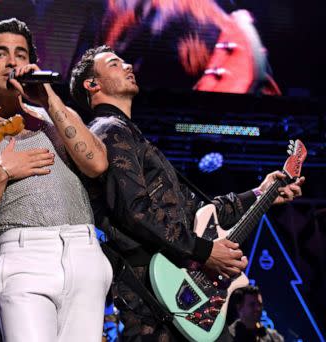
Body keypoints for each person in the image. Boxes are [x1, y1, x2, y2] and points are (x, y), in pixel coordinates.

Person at [69, 45, 304, 341]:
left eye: (126, 60)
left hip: (176, 292)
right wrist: (206, 252)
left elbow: (199, 212)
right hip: (152, 298)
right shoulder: (109, 131)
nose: (128, 65)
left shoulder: (131, 135)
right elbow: (135, 210)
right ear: (93, 84)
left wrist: (262, 193)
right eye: (115, 64)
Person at [0, 18, 112, 342]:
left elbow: (97, 164)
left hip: (84, 252)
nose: (13, 62)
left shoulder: (57, 114)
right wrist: (0, 174)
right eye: (0, 54)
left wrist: (49, 100)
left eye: (21, 54)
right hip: (25, 257)